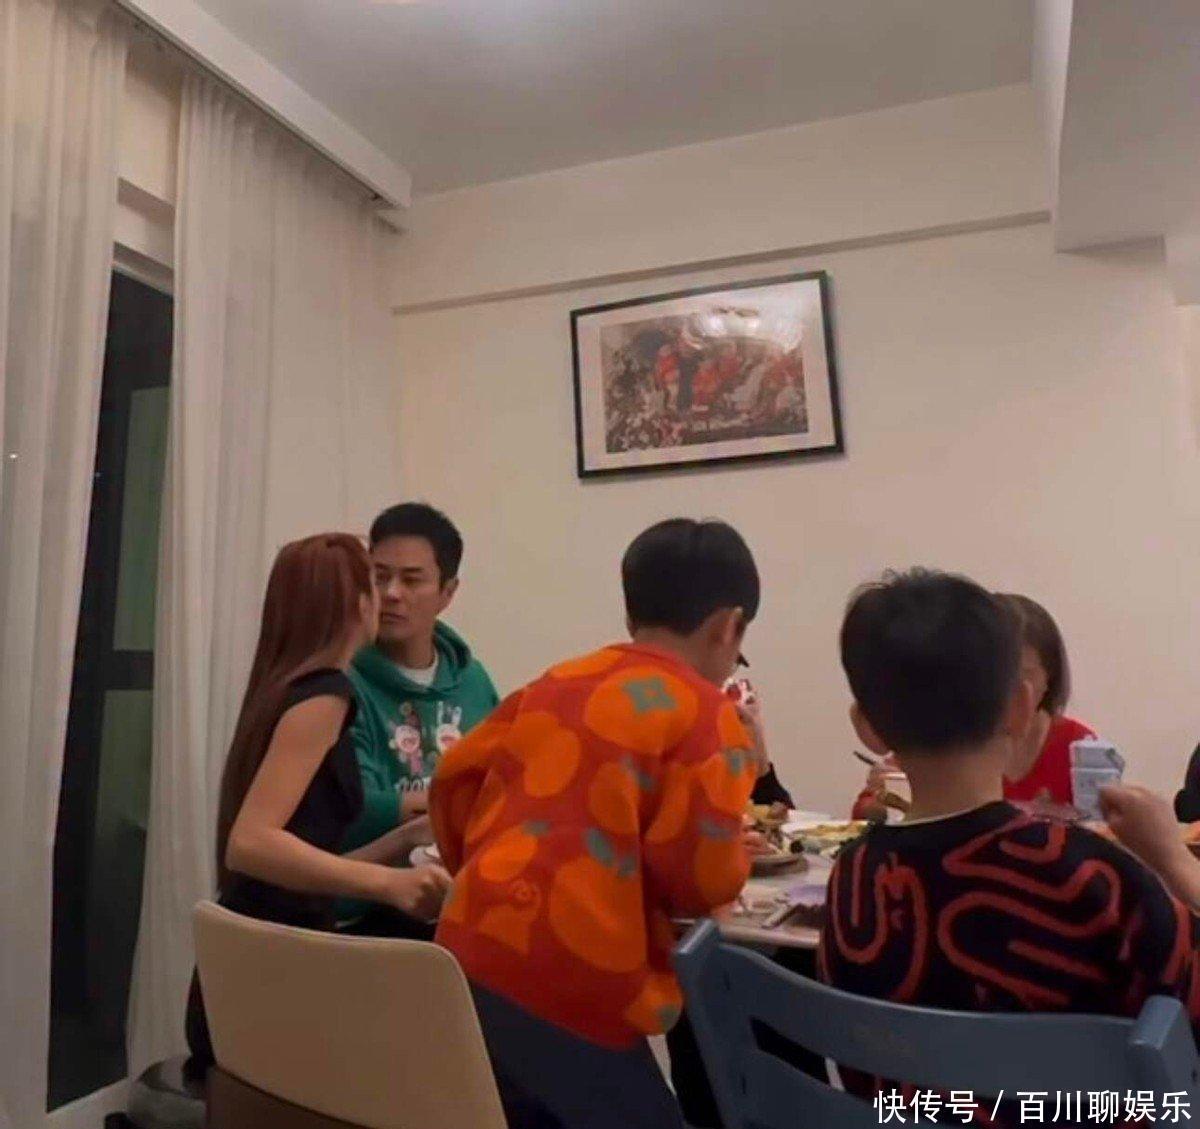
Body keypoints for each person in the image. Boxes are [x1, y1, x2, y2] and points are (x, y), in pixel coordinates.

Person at [821, 569, 1200, 1116]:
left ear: (867, 727)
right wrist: (1171, 857)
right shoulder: (1089, 877)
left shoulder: (852, 879)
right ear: (1022, 705)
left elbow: (862, 1077)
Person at [428, 518, 765, 1129]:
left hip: (467, 946)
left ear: (632, 608)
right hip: (577, 974)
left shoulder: (558, 682)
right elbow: (702, 879)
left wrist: (479, 864)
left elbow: (454, 779)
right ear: (729, 626)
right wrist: (734, 858)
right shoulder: (707, 716)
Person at [185, 534, 451, 1070]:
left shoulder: (282, 686)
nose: (386, 597)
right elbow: (250, 845)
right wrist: (390, 884)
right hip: (270, 980)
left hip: (239, 972)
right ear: (356, 603)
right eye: (374, 582)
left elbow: (295, 868)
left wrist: (403, 840)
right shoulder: (326, 695)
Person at [338, 503, 499, 933]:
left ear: (448, 593)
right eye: (379, 576)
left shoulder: (471, 679)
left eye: (411, 580)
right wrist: (446, 804)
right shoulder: (343, 679)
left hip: (458, 895)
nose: (391, 593)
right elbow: (350, 804)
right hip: (364, 906)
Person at [851, 591, 1095, 819]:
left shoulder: (1082, 747)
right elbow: (865, 811)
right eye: (988, 675)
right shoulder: (947, 736)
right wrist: (888, 799)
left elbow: (1102, 827)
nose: (1001, 689)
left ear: (1050, 676)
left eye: (1021, 675)